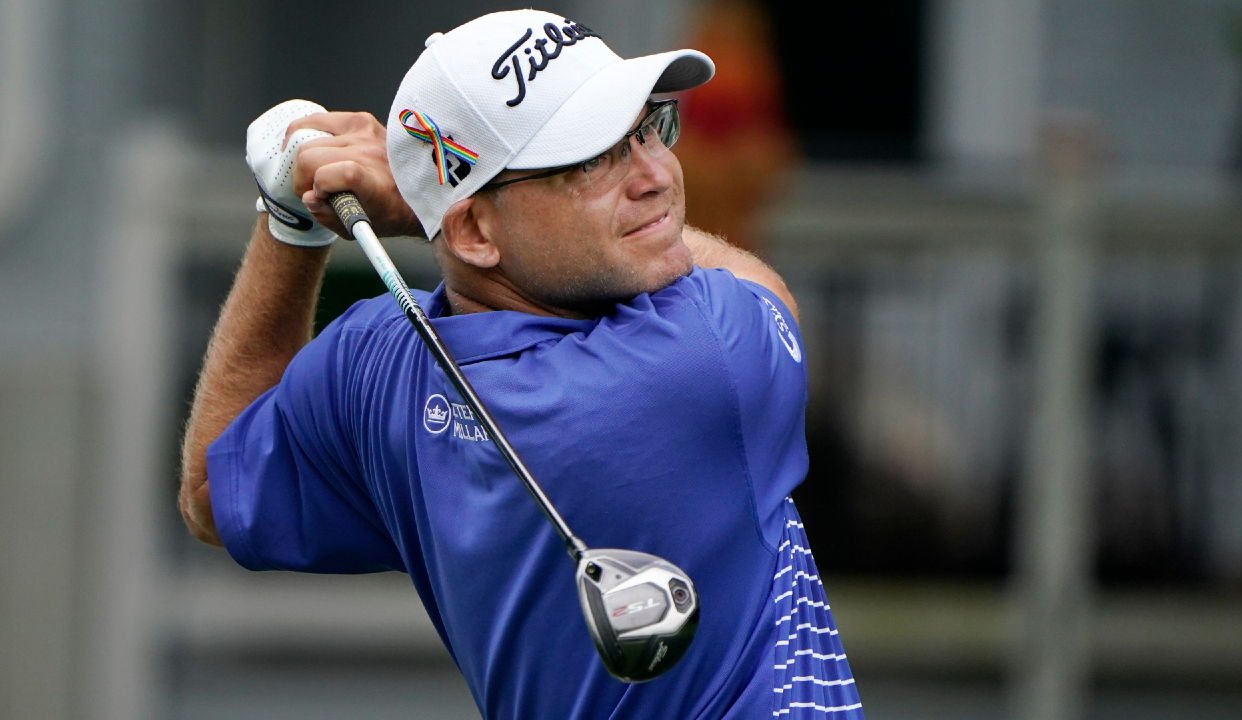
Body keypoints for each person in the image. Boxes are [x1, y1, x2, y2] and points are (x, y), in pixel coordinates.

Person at [178, 9, 863, 719]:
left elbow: (209, 493)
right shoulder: (696, 361)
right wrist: (420, 212)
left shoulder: (377, 360)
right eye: (594, 160)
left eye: (647, 128)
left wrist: (289, 221)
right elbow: (766, 290)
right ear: (476, 230)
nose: (656, 174)